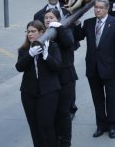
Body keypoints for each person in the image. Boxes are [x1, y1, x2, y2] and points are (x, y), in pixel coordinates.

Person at [76, 0, 115, 139]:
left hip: (109, 67)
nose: (97, 10)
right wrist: (76, 24)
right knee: (97, 98)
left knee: (111, 98)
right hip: (92, 67)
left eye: (100, 8)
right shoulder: (89, 23)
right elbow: (78, 37)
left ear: (107, 9)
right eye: (96, 7)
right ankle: (101, 125)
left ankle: (112, 126)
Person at [33, 0, 79, 122]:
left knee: (67, 81)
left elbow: (72, 32)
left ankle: (71, 108)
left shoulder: (69, 10)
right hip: (49, 53)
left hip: (66, 51)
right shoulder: (39, 15)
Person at [16, 20, 62, 147]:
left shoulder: (52, 47)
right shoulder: (24, 50)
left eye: (33, 31)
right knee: (34, 126)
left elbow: (57, 67)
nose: (30, 34)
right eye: (28, 32)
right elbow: (19, 67)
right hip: (28, 93)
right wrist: (29, 55)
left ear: (42, 32)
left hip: (48, 92)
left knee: (46, 124)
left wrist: (46, 55)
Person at [41, 8, 76, 147]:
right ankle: (56, 139)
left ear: (57, 19)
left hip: (65, 78)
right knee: (52, 113)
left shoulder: (64, 30)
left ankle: (66, 141)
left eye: (51, 18)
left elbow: (68, 43)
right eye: (46, 18)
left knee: (63, 112)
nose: (48, 20)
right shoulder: (43, 34)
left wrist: (59, 28)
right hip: (50, 80)